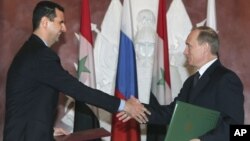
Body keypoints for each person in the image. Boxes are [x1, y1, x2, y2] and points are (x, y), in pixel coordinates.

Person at [3, 1, 150, 141]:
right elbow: (78, 90)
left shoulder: (31, 51)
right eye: (60, 22)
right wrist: (124, 105)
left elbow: (28, 104)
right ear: (45, 22)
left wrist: (47, 130)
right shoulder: (40, 55)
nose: (64, 28)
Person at [118, 26, 244, 141]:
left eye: (189, 46)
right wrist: (138, 110)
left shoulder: (226, 79)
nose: (185, 51)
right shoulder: (191, 81)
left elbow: (235, 126)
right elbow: (172, 113)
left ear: (205, 48)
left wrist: (203, 140)